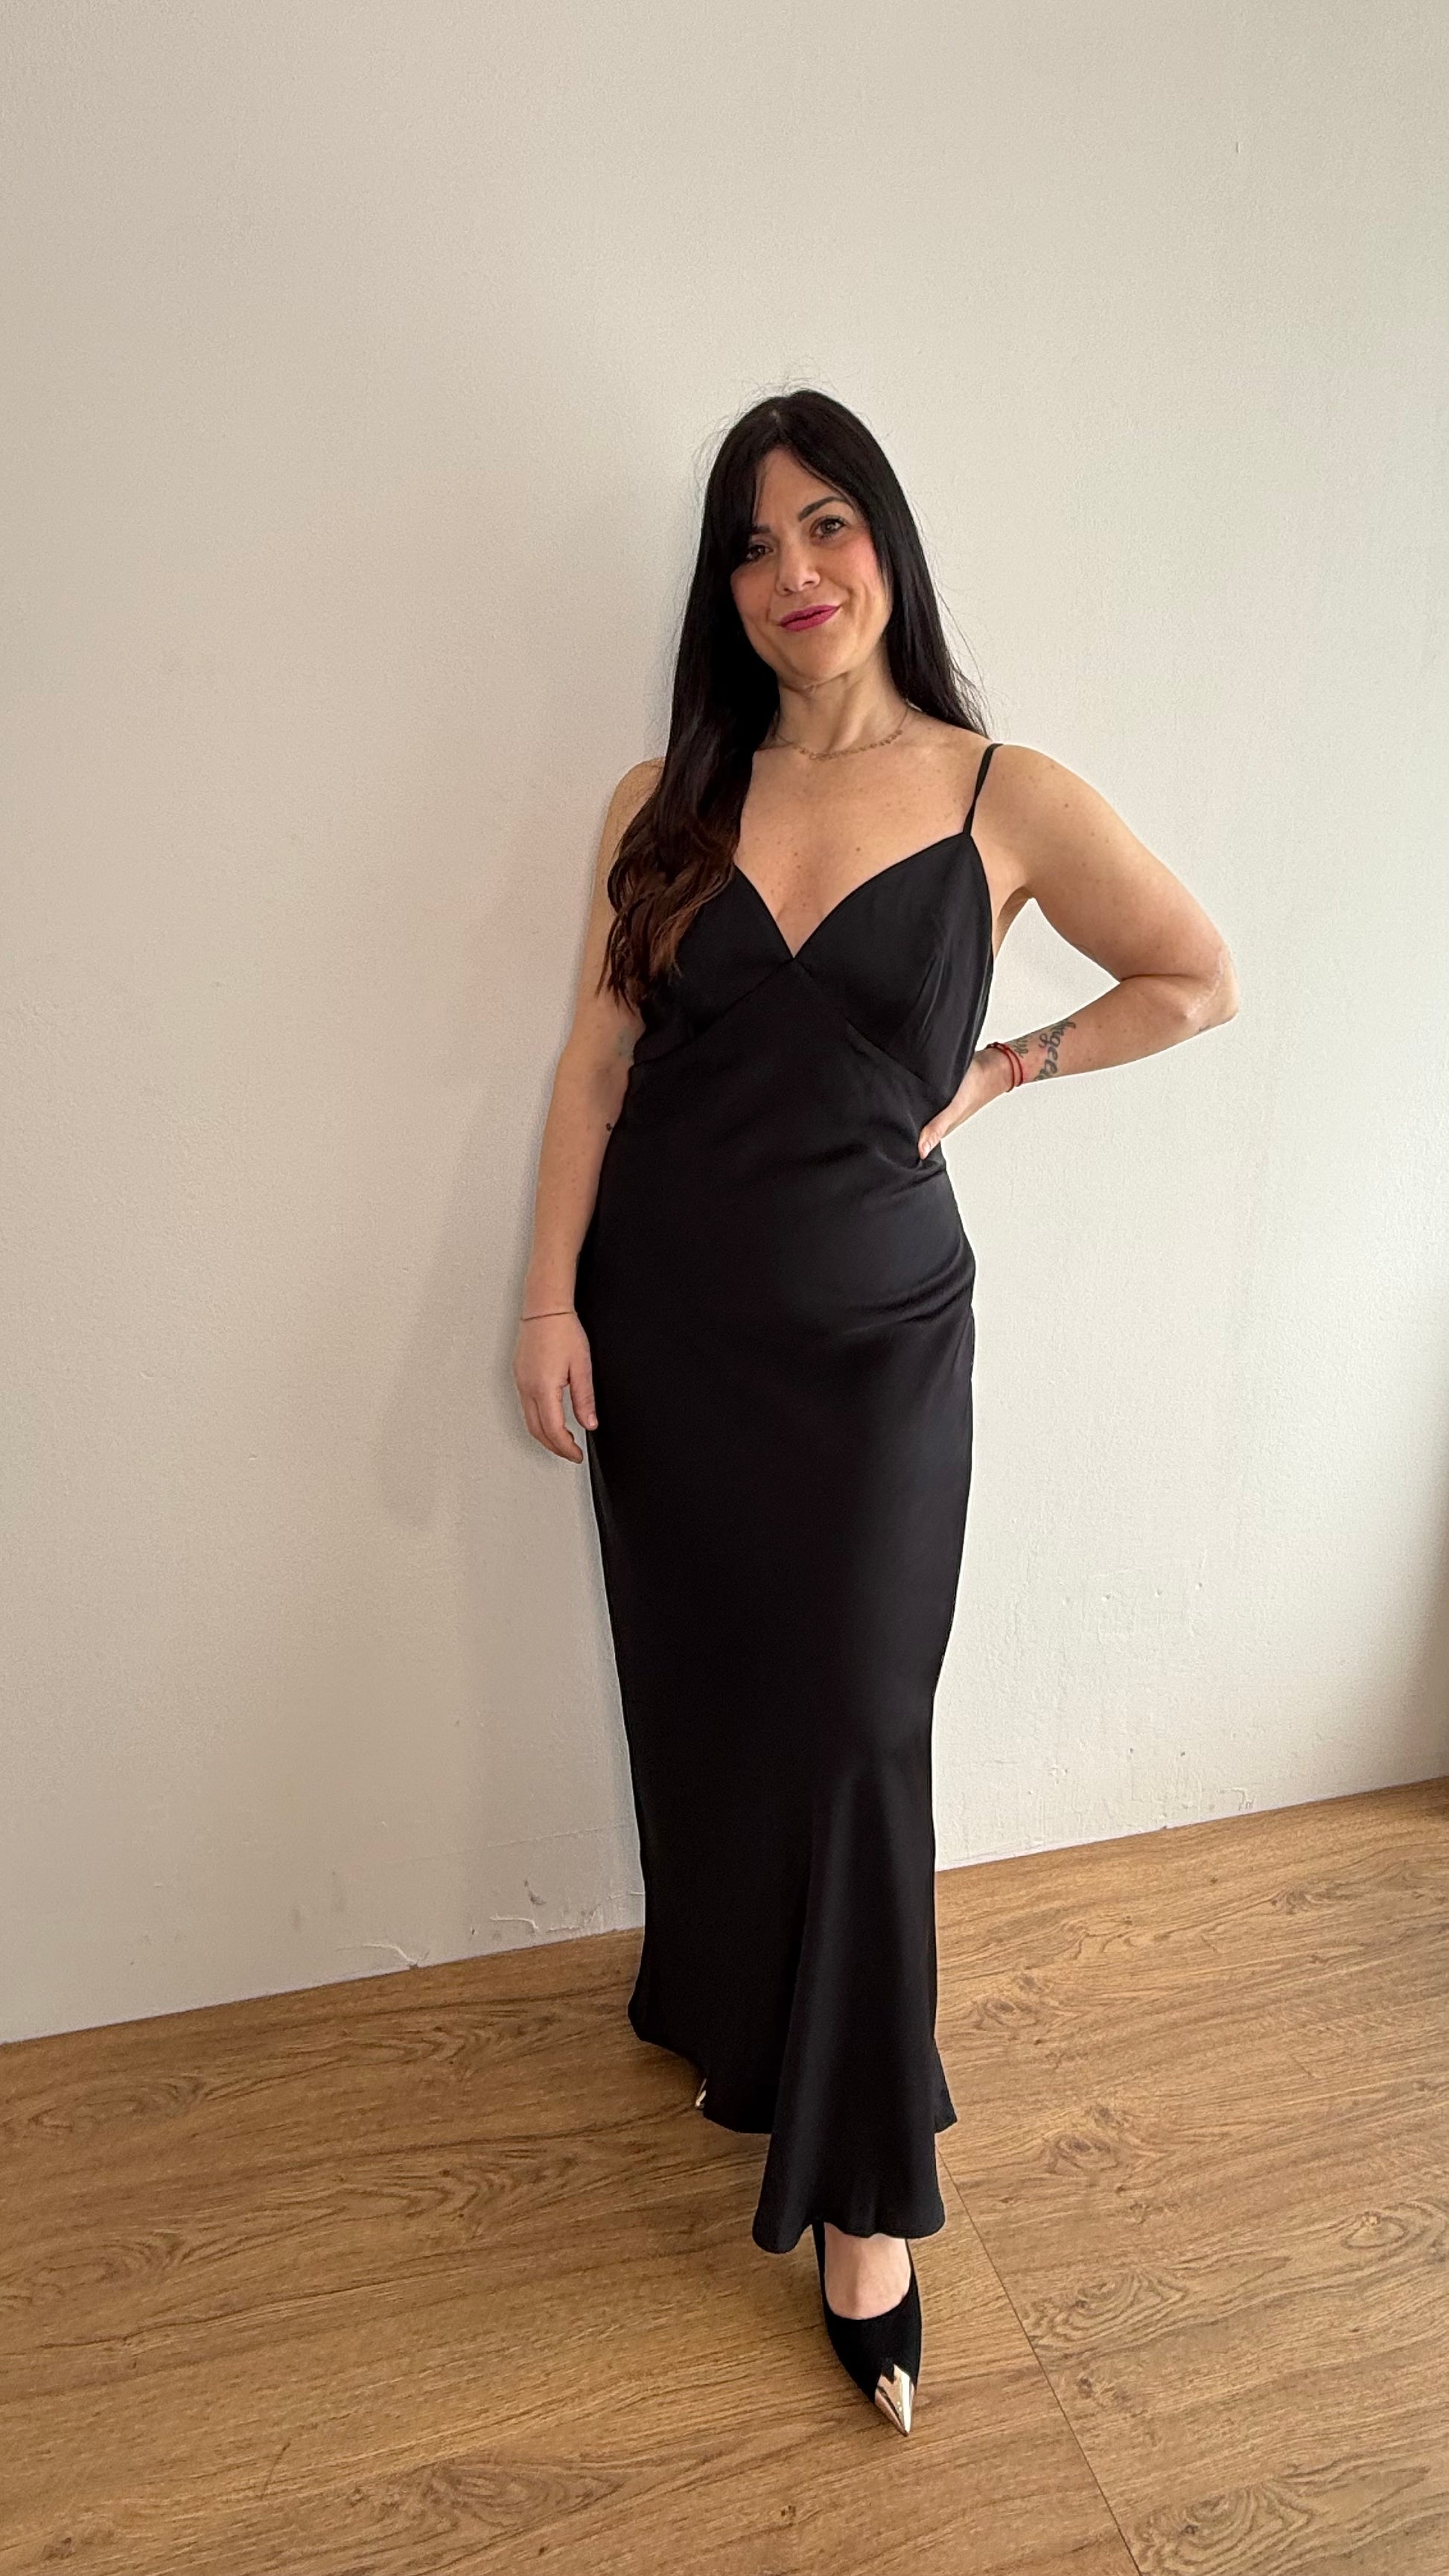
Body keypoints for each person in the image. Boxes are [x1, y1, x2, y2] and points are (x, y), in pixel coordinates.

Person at [512, 388, 1239, 2432]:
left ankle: (865, 2197)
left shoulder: (1007, 794)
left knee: (852, 1728)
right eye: (752, 544)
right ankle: (725, 2012)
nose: (794, 573)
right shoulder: (665, 795)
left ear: (887, 547)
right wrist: (549, 1295)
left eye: (826, 524)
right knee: (712, 1705)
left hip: (874, 1351)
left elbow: (1194, 977)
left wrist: (1009, 1068)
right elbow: (594, 1066)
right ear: (723, 589)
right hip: (670, 1334)